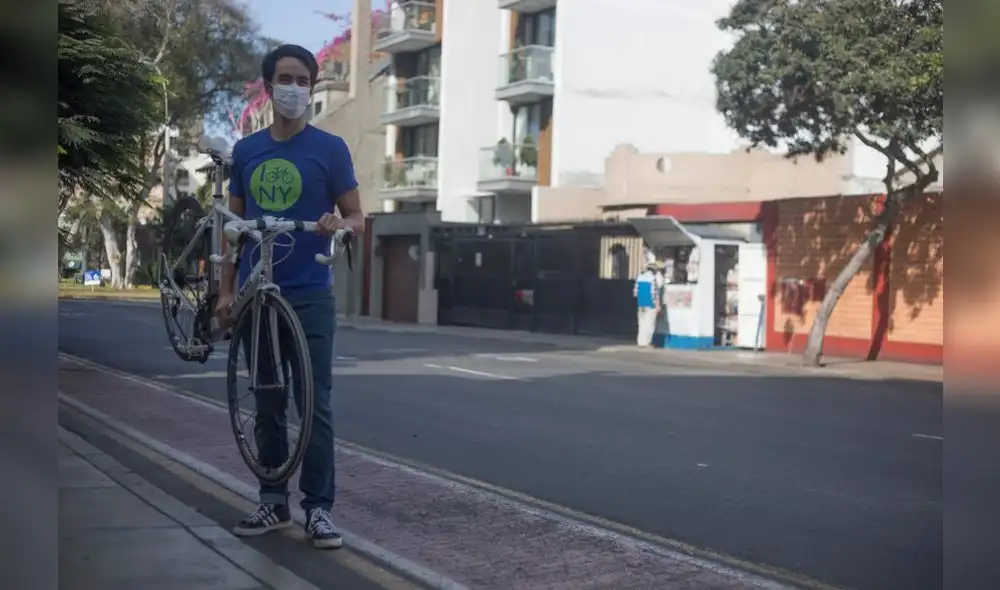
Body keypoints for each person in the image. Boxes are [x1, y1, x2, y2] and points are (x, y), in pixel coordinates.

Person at [215, 44, 365, 550]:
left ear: (313, 87)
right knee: (268, 401)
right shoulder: (248, 152)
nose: (294, 88)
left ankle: (318, 510)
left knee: (314, 404)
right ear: (268, 85)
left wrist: (337, 224)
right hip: (260, 294)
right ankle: (272, 501)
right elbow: (233, 226)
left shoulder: (331, 150)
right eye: (285, 78)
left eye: (303, 80)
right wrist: (227, 289)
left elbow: (358, 218)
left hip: (310, 294)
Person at [633, 263, 662, 347]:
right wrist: (657, 305)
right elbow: (654, 293)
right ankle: (647, 342)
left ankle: (640, 342)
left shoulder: (639, 277)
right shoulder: (653, 279)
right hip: (650, 304)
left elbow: (635, 293)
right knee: (649, 324)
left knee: (641, 323)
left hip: (641, 303)